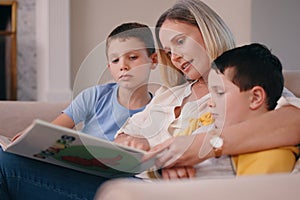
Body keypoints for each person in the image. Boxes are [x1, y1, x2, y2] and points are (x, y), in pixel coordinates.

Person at [115, 0, 300, 179]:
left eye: (180, 41)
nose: (175, 58)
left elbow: (294, 121)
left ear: (208, 32)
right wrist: (132, 144)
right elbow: (123, 136)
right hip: (136, 179)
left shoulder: (242, 86)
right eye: (169, 52)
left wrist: (201, 145)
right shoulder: (166, 96)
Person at [0, 22, 157, 199]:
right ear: (109, 66)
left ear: (154, 60)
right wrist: (29, 137)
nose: (123, 65)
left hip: (117, 186)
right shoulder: (95, 96)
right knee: (3, 157)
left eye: (133, 57)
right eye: (115, 60)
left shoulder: (161, 111)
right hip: (76, 177)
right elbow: (53, 132)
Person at [207, 43, 299, 176]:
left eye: (219, 92)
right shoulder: (211, 125)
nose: (210, 103)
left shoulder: (270, 156)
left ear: (255, 98)